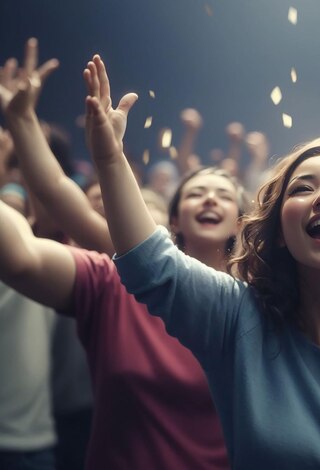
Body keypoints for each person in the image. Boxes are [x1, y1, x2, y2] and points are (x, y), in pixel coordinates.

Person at [87, 54, 320, 468]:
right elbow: (151, 265)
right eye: (302, 188)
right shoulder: (238, 323)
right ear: (282, 234)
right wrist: (110, 159)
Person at [0, 41, 234, 469]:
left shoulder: (263, 298)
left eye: (223, 194)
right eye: (196, 192)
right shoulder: (118, 277)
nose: (209, 200)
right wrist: (21, 120)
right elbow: (53, 197)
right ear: (172, 222)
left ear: (242, 221)